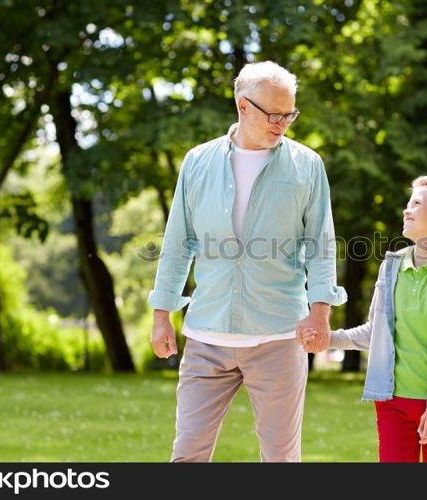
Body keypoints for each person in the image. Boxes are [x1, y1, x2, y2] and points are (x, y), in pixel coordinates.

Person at [147, 61, 346, 462]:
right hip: (207, 336)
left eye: (289, 114)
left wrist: (320, 311)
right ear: (242, 106)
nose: (282, 123)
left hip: (277, 337)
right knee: (186, 455)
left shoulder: (307, 165)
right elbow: (177, 242)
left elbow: (320, 243)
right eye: (273, 114)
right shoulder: (197, 162)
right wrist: (161, 314)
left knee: (281, 459)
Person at [300, 176, 427, 462]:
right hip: (392, 401)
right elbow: (375, 332)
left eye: (416, 203)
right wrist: (328, 339)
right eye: (408, 204)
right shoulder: (391, 267)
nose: (406, 210)